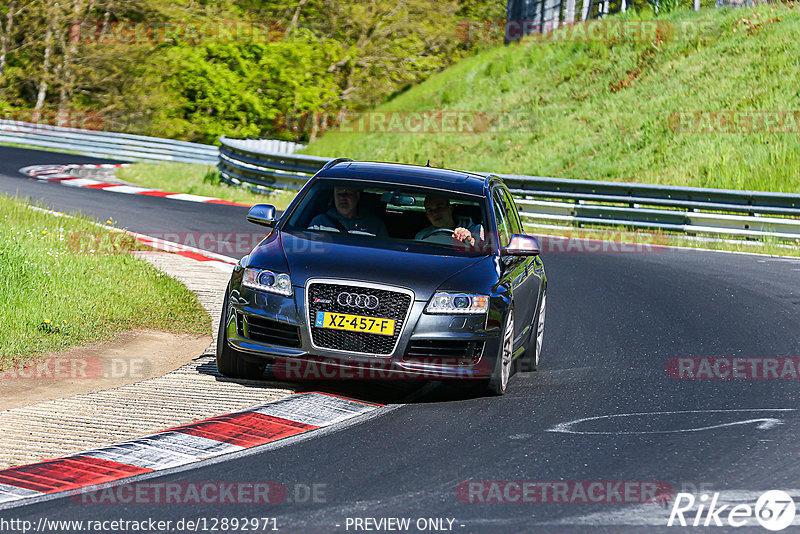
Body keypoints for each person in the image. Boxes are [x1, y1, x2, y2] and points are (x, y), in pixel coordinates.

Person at [308, 185, 388, 236]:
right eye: (339, 194)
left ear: (357, 196)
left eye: (348, 194)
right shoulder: (319, 223)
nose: (343, 198)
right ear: (334, 197)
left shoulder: (375, 225)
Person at [415, 195, 484, 246]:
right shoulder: (422, 236)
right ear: (427, 216)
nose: (435, 213)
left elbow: (486, 251)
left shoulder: (477, 230)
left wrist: (470, 240)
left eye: (440, 207)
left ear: (450, 208)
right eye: (430, 210)